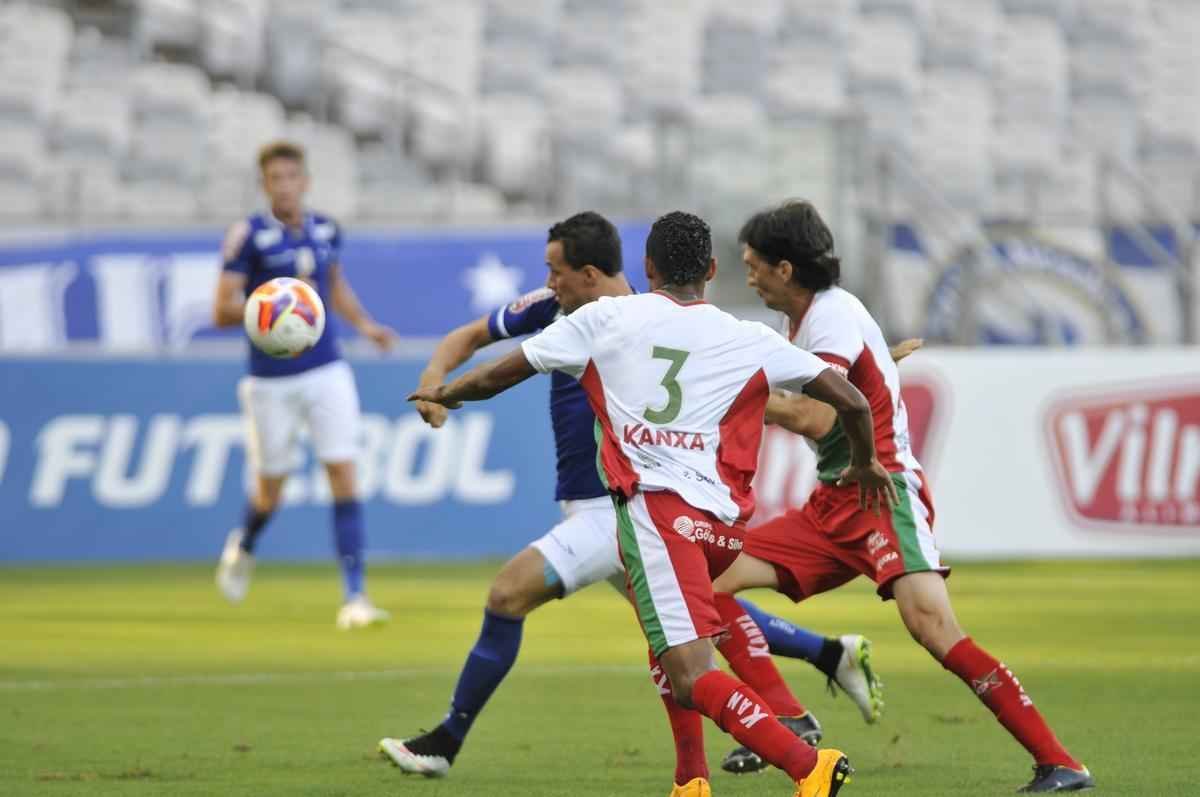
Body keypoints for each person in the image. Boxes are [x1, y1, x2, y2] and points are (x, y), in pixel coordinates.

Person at [380, 212, 885, 793]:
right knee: (671, 636)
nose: (550, 280)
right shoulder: (745, 335)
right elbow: (850, 401)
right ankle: (696, 774)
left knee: (689, 671)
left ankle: (807, 764)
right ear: (713, 270)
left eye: (555, 270)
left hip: (647, 513)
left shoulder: (604, 320)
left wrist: (446, 392)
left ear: (646, 268)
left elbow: (498, 374)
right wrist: (866, 459)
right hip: (717, 524)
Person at [713, 199, 1094, 794]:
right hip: (831, 506)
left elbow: (815, 417)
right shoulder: (809, 319)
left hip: (881, 495)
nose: (750, 277)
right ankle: (786, 714)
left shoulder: (831, 318)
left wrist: (734, 397)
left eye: (753, 265)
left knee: (934, 629)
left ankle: (1060, 762)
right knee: (710, 585)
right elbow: (846, 392)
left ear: (784, 269)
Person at [211, 140, 397, 630]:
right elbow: (221, 307)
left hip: (326, 369)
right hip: (269, 381)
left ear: (305, 181)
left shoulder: (325, 228)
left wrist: (366, 325)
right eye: (276, 179)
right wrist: (271, 305)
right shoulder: (247, 236)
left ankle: (355, 596)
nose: (286, 186)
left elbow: (334, 286)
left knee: (343, 472)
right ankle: (246, 541)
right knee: (271, 491)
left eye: (293, 177)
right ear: (264, 185)